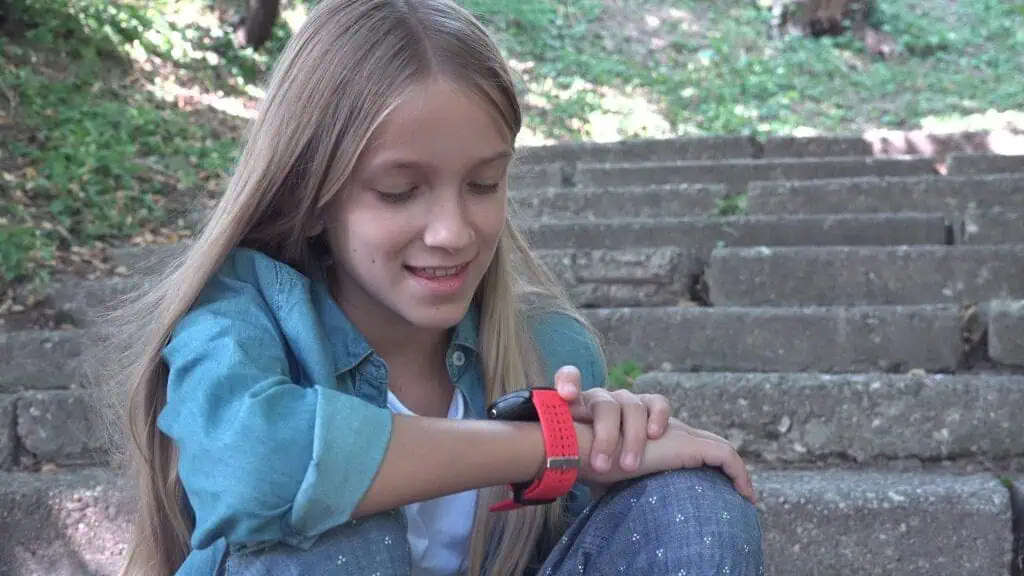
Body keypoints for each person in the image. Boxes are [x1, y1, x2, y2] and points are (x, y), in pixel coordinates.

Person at [92, 1, 765, 575]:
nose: (452, 232)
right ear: (312, 191)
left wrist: (616, 451)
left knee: (691, 505)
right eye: (399, 190)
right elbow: (251, 467)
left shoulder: (549, 346)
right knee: (327, 531)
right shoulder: (238, 317)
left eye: (483, 184)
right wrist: (552, 448)